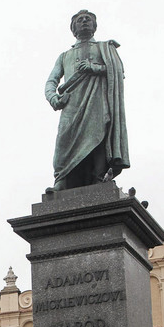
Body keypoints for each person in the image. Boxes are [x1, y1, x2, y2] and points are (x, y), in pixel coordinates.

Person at [44, 10, 129, 191]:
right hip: (71, 104)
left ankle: (99, 178)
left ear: (94, 26)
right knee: (63, 142)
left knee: (97, 135)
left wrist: (93, 68)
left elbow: (118, 72)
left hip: (96, 101)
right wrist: (54, 98)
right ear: (73, 28)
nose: (84, 22)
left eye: (88, 20)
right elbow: (51, 81)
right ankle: (62, 179)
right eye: (80, 20)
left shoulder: (104, 48)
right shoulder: (64, 56)